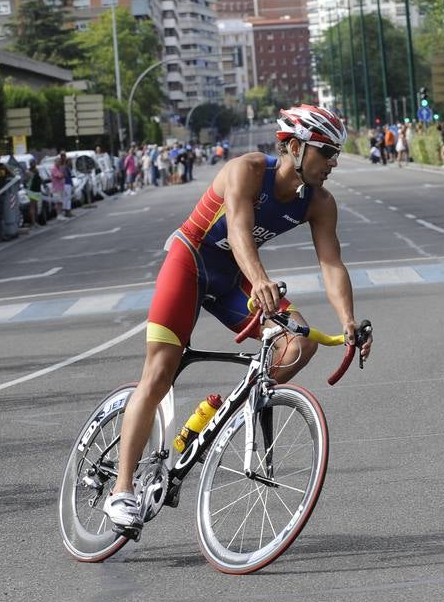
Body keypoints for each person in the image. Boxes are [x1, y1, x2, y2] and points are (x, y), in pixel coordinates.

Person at [101, 105, 374, 536]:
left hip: (233, 279)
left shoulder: (319, 202)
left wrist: (349, 320)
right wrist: (261, 281)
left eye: (336, 152)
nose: (334, 162)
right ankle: (120, 490)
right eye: (326, 152)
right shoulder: (245, 170)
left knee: (298, 342)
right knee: (158, 372)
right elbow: (241, 231)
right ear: (295, 147)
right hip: (190, 262)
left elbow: (331, 263)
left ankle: (226, 419)